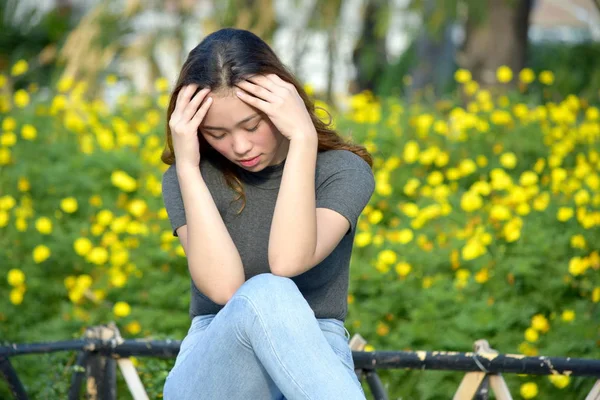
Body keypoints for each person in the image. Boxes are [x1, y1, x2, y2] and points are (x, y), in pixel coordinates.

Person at [161, 27, 375, 399]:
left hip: (316, 355)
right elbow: (225, 288)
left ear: (282, 104)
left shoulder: (342, 171)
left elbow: (288, 260)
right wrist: (187, 168)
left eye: (252, 125)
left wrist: (304, 139)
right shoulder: (190, 178)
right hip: (216, 359)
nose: (240, 146)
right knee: (266, 292)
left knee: (273, 288)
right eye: (216, 133)